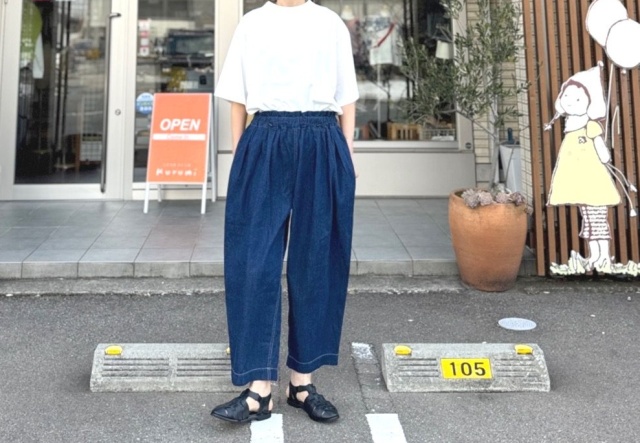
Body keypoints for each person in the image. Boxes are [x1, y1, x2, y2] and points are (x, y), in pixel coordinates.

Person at [210, 0, 358, 424]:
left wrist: (347, 155)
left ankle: (302, 383)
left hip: (322, 137)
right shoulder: (252, 23)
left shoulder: (330, 23)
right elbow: (237, 98)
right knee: (253, 263)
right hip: (265, 137)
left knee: (316, 262)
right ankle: (258, 389)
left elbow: (347, 97)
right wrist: (239, 154)